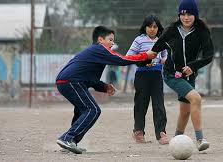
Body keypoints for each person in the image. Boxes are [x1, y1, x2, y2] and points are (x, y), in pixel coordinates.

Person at [55, 26, 156, 154]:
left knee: (82, 111)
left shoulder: (95, 52)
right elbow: (122, 60)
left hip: (68, 81)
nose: (112, 43)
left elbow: (91, 79)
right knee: (93, 110)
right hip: (71, 82)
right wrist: (145, 55)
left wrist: (104, 87)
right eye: (110, 39)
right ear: (100, 39)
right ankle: (67, 138)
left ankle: (71, 142)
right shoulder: (99, 49)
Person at [149, 0, 214, 151]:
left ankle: (177, 141)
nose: (186, 17)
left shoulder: (202, 32)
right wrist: (141, 59)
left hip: (190, 76)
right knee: (196, 98)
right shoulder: (171, 30)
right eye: (183, 14)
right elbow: (155, 50)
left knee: (185, 111)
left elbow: (209, 55)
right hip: (172, 75)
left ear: (195, 15)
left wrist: (193, 66)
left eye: (190, 14)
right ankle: (200, 139)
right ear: (179, 15)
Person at [126, 15, 169, 145]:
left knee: (159, 105)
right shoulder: (139, 40)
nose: (152, 29)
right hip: (142, 76)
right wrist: (144, 60)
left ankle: (161, 133)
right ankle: (138, 131)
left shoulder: (161, 41)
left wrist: (164, 61)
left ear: (158, 28)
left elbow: (164, 58)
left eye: (155, 27)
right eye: (149, 26)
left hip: (156, 76)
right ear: (145, 27)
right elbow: (129, 56)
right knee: (141, 104)